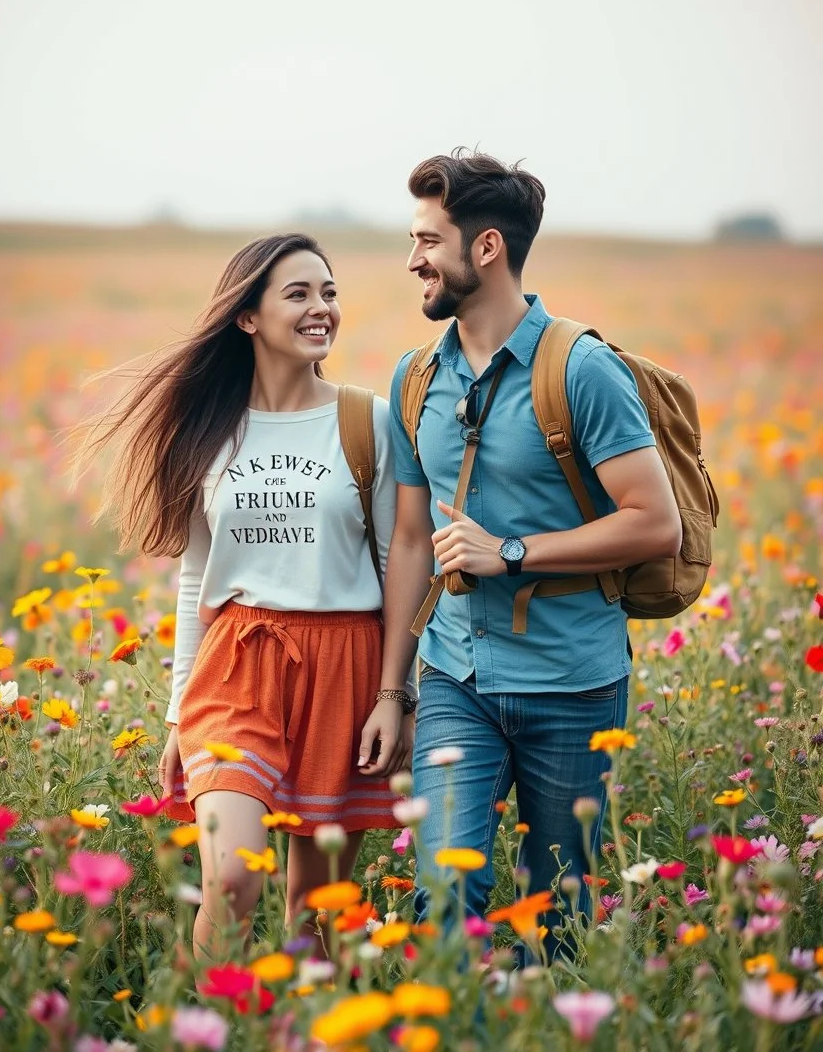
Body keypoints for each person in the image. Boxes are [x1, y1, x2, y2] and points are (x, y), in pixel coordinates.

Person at [364, 150, 682, 951]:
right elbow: (410, 542)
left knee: (560, 913)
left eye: (428, 241)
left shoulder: (581, 369)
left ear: (486, 248)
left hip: (573, 682)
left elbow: (655, 522)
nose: (413, 260)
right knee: (444, 889)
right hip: (454, 680)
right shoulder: (415, 378)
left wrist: (509, 551)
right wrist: (390, 691)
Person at [78, 234, 413, 965]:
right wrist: (175, 713)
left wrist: (396, 694)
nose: (321, 308)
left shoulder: (368, 420)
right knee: (230, 879)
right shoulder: (211, 428)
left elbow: (398, 567)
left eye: (328, 292)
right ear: (248, 318)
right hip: (236, 665)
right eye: (298, 294)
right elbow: (197, 578)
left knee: (314, 915)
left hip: (344, 669)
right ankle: (207, 1028)